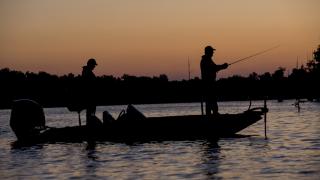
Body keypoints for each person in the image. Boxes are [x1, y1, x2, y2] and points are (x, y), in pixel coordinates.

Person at [200, 46, 228, 116]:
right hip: (208, 85)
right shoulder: (206, 60)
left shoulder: (208, 60)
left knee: (210, 100)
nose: (213, 53)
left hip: (209, 84)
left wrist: (222, 67)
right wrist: (223, 66)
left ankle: (211, 115)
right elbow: (214, 68)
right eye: (212, 51)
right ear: (208, 52)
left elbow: (214, 68)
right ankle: (214, 115)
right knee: (211, 100)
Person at [82, 58, 98, 125]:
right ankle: (90, 125)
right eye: (93, 65)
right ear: (90, 65)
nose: (94, 66)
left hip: (90, 98)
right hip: (90, 98)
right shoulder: (87, 73)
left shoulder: (86, 72)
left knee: (90, 113)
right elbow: (89, 86)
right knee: (91, 113)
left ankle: (90, 124)